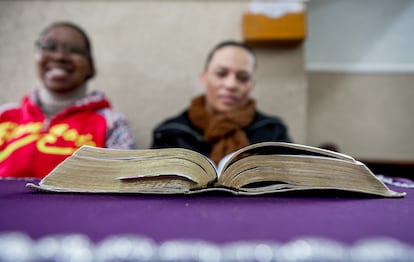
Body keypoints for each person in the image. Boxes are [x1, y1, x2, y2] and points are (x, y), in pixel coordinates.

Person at [0, 21, 135, 178]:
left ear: (90, 67)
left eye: (74, 50)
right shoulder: (4, 116)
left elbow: (120, 184)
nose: (60, 56)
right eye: (50, 47)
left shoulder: (112, 123)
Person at [151, 40, 291, 165]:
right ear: (204, 78)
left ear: (252, 85)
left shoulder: (274, 133)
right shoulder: (170, 134)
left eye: (242, 78)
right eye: (221, 74)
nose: (231, 85)